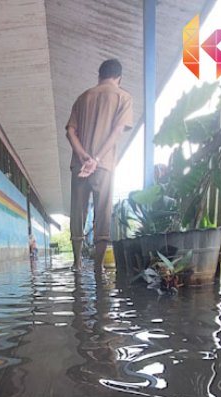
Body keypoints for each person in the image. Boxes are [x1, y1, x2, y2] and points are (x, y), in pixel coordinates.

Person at [65, 59, 134, 271]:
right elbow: (118, 131)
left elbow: (70, 132)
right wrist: (96, 159)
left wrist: (83, 156)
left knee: (78, 211)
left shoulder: (83, 98)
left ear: (99, 76)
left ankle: (77, 263)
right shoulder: (123, 97)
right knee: (102, 212)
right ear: (119, 78)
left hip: (80, 165)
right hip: (103, 166)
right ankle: (98, 267)